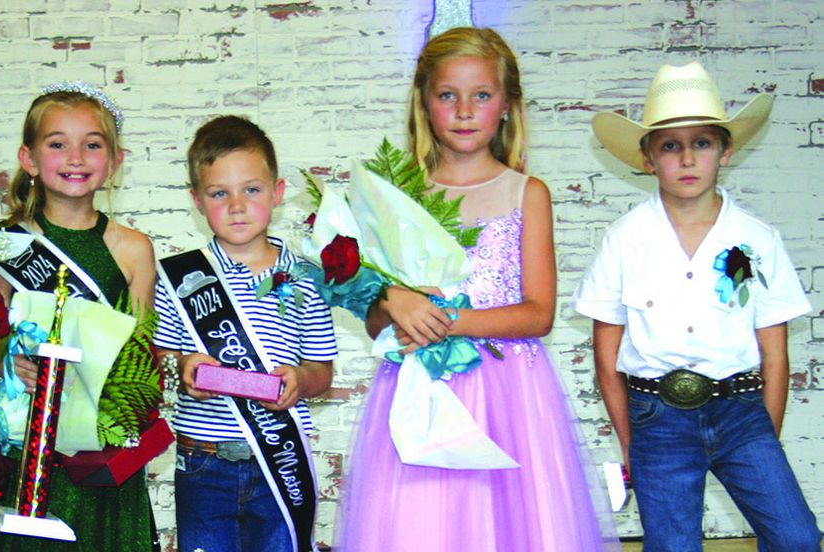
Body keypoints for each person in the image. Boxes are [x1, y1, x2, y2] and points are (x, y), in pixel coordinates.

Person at [336, 27, 615, 550]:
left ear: (506, 105)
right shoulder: (399, 197)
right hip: (421, 389)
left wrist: (445, 321)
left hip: (509, 396)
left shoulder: (526, 193)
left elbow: (538, 314)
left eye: (481, 95)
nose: (464, 110)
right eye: (448, 96)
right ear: (425, 104)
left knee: (510, 524)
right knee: (422, 526)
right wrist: (391, 300)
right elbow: (375, 322)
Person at [575, 61, 821, 550]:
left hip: (742, 414)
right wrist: (632, 444)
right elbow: (607, 357)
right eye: (670, 146)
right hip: (656, 418)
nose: (687, 159)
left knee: (797, 538)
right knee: (672, 546)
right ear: (648, 159)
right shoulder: (624, 241)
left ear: (725, 152)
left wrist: (763, 435)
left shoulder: (756, 240)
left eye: (701, 144)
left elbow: (775, 353)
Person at [0, 82, 159, 551]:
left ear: (115, 160)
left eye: (92, 145)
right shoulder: (5, 244)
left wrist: (121, 410)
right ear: (29, 158)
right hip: (33, 442)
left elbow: (142, 351)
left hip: (102, 444)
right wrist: (9, 361)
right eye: (58, 144)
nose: (75, 157)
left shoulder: (134, 249)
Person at [153, 115, 337, 552]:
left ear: (277, 192)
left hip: (280, 460)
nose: (237, 205)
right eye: (220, 193)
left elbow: (322, 373)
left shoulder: (306, 276)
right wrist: (184, 367)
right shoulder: (179, 276)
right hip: (203, 462)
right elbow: (158, 358)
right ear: (197, 200)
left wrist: (299, 380)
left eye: (251, 190)